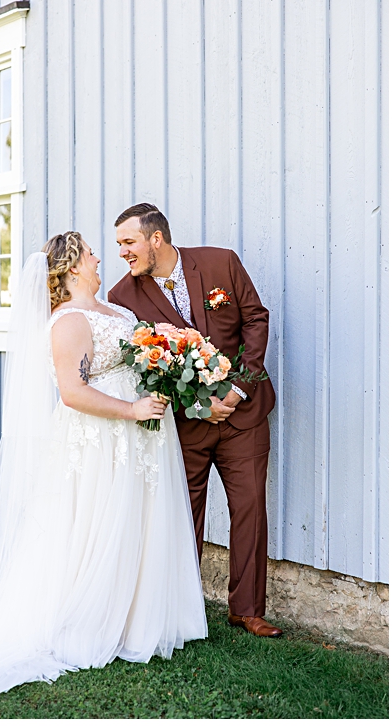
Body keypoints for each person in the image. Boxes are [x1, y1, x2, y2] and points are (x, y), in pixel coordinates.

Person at [0, 234, 206, 718]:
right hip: (102, 441)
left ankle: (135, 617)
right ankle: (87, 617)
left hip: (140, 437)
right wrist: (131, 408)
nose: (99, 257)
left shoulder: (117, 313)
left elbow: (138, 360)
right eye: (89, 253)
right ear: (70, 267)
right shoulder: (68, 323)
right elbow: (73, 392)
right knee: (96, 524)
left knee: (135, 521)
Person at [108, 204, 279, 637]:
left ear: (156, 239)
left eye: (129, 243)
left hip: (244, 416)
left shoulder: (221, 261)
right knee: (183, 515)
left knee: (250, 510)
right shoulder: (122, 298)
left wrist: (238, 389)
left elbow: (255, 319)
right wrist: (200, 405)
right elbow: (141, 370)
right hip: (184, 426)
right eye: (119, 246)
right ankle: (179, 607)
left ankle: (247, 609)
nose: (123, 253)